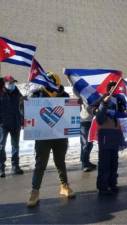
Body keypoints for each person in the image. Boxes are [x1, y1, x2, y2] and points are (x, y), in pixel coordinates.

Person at [27, 72, 75, 207]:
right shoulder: (37, 94)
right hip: (43, 136)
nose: (51, 85)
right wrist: (25, 102)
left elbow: (70, 113)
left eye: (54, 82)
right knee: (40, 164)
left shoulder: (64, 95)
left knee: (60, 161)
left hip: (60, 135)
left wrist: (75, 105)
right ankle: (34, 191)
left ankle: (64, 186)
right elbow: (25, 114)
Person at [95, 81, 125, 195]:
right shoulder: (102, 100)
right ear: (108, 90)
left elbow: (122, 115)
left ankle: (112, 183)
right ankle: (103, 185)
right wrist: (104, 104)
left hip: (115, 134)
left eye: (116, 88)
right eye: (112, 89)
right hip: (105, 135)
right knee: (104, 162)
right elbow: (99, 119)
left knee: (114, 162)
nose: (115, 90)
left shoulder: (118, 100)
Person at [0, 75, 24, 177]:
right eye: (10, 83)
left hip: (15, 123)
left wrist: (23, 120)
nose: (12, 84)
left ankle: (15, 166)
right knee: (1, 146)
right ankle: (1, 168)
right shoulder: (0, 94)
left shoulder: (17, 93)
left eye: (13, 82)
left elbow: (22, 107)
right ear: (5, 84)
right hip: (3, 125)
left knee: (15, 146)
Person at [79, 99, 96, 172]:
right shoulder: (82, 93)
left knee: (90, 143)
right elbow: (87, 108)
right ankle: (84, 164)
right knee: (85, 143)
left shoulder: (94, 94)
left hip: (93, 121)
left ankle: (87, 161)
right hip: (85, 121)